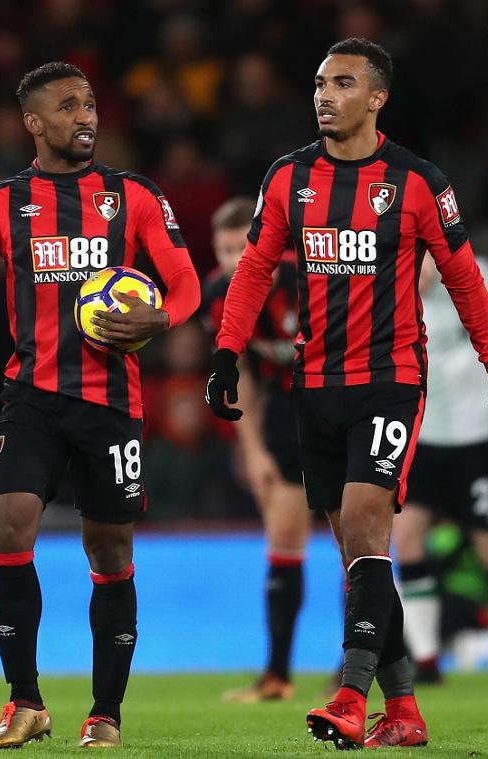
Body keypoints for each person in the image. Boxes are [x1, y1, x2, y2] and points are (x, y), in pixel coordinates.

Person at [205, 38, 488, 750]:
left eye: (343, 83)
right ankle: (406, 710)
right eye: (320, 82)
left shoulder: (417, 182)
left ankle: (351, 698)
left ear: (377, 97)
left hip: (390, 381)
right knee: (358, 553)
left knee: (364, 525)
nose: (325, 95)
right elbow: (255, 268)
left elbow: (466, 281)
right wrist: (227, 354)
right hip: (311, 386)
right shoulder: (288, 177)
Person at [0, 62, 201, 748]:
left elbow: (186, 283)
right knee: (10, 522)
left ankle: (104, 711)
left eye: (89, 105)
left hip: (110, 402)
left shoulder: (131, 195)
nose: (86, 116)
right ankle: (25, 700)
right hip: (32, 395)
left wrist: (162, 321)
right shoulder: (3, 202)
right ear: (33, 123)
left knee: (109, 547)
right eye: (68, 106)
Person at [394, 252, 488, 686]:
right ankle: (425, 661)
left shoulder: (467, 273)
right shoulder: (384, 286)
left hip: (474, 442)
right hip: (418, 440)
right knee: (407, 541)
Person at [202, 197, 313, 703]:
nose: (231, 261)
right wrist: (253, 451)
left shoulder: (308, 275)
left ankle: (358, 665)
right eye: (222, 250)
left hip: (340, 406)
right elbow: (240, 371)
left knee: (359, 539)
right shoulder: (218, 296)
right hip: (286, 417)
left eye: (238, 247)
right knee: (285, 535)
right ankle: (278, 675)